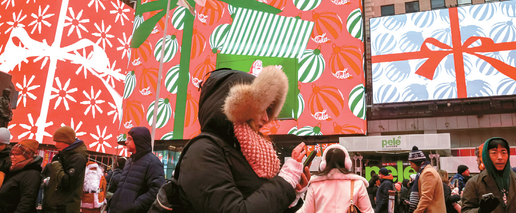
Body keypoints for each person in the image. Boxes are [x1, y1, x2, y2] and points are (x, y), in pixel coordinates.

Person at [174, 67, 310, 213]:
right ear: (240, 107)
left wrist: (292, 194)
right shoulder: (202, 151)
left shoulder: (247, 154)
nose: (266, 118)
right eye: (261, 108)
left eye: (268, 110)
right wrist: (285, 182)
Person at [462, 137, 516, 213]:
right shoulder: (474, 183)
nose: (500, 157)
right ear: (486, 156)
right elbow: (466, 210)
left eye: (503, 152)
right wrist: (480, 211)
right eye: (494, 153)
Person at [298, 144, 373, 213]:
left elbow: (307, 211)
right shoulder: (357, 183)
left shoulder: (315, 184)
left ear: (324, 164)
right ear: (346, 163)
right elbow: (368, 211)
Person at [108, 127, 165, 213]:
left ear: (139, 141)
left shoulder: (153, 162)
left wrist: (133, 207)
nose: (126, 142)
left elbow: (156, 190)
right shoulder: (129, 161)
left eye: (129, 139)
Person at [0, 139, 42, 213]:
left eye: (17, 154)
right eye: (12, 154)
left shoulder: (32, 174)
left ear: (27, 156)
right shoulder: (10, 170)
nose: (13, 157)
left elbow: (26, 202)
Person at [42, 126, 88, 213]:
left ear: (68, 141)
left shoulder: (77, 158)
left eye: (59, 141)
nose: (56, 145)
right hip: (56, 206)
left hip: (64, 208)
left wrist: (56, 165)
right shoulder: (63, 155)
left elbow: (66, 182)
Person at [407, 146, 446, 213]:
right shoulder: (424, 172)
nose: (411, 166)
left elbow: (426, 197)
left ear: (417, 162)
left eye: (411, 163)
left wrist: (416, 212)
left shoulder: (428, 173)